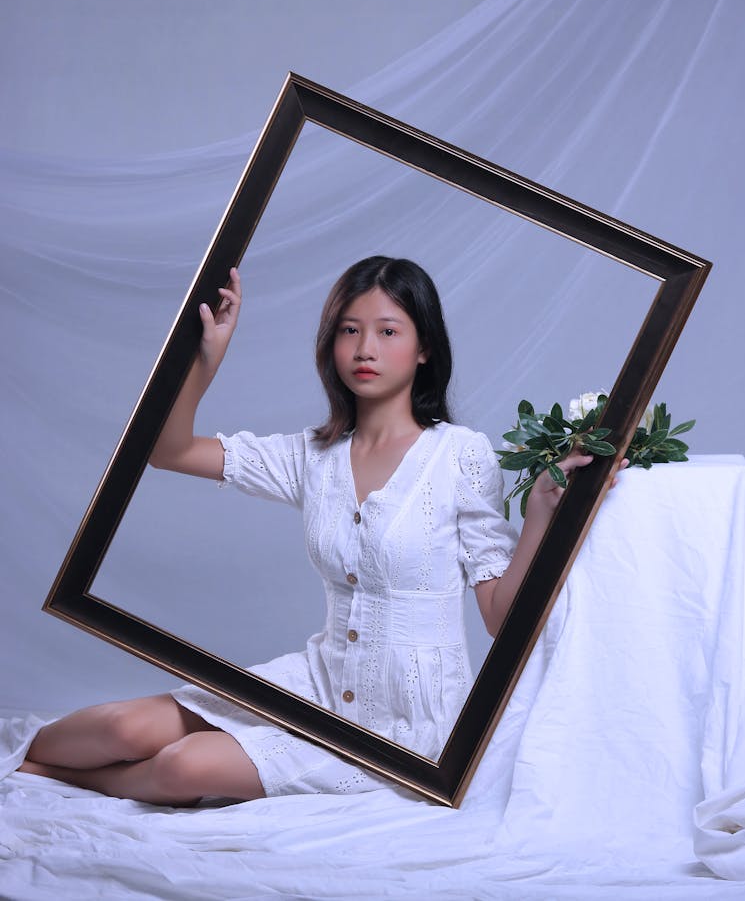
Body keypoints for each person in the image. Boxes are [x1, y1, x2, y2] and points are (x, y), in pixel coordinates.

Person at [18, 256, 600, 806]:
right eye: (349, 330)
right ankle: (30, 759)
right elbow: (167, 450)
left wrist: (541, 516)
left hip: (404, 723)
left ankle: (42, 775)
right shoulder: (314, 455)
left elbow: (501, 618)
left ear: (425, 348)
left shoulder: (461, 456)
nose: (365, 348)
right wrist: (208, 359)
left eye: (388, 331)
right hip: (314, 682)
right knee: (120, 726)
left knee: (183, 767)